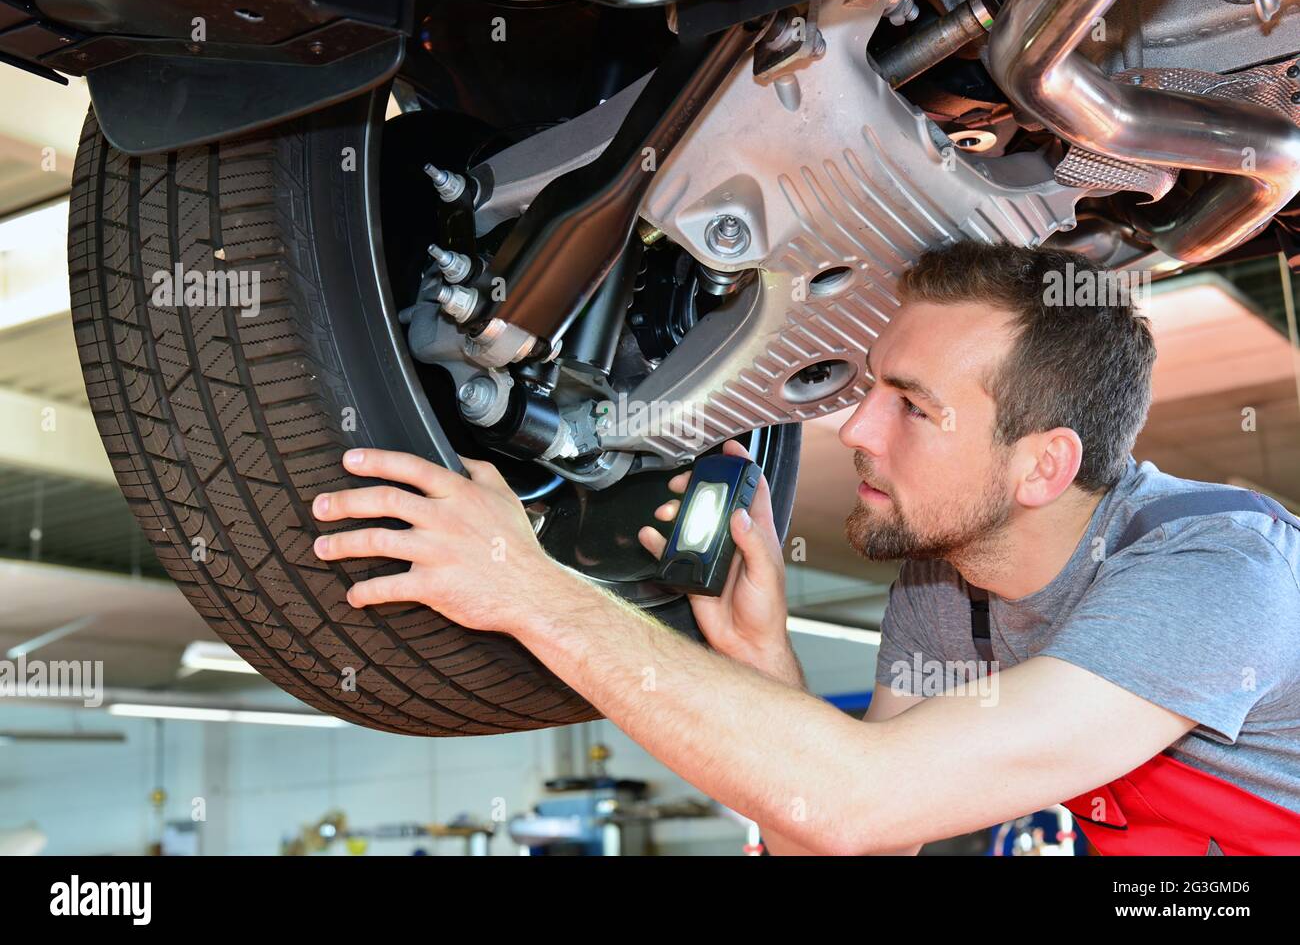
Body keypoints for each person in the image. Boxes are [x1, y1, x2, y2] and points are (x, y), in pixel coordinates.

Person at [307, 240, 1300, 855]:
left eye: (913, 407)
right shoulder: (947, 584)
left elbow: (857, 801)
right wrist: (765, 662)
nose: (856, 430)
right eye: (874, 389)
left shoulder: (1215, 570)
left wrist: (533, 589)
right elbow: (854, 846)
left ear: (1042, 467)